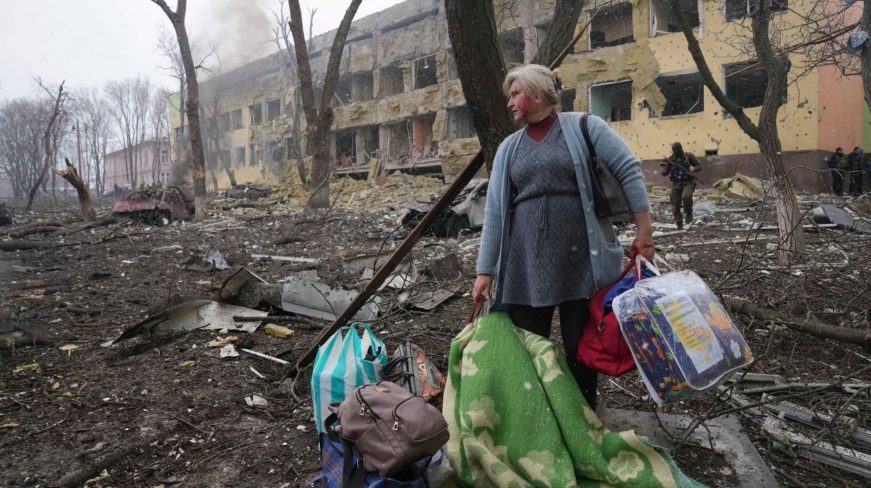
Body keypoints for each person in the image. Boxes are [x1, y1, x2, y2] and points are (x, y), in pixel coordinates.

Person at [471, 64, 655, 410]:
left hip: (581, 261)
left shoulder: (584, 127)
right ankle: (539, 423)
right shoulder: (509, 148)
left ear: (537, 94)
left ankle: (583, 421)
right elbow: (495, 211)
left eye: (515, 94)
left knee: (580, 350)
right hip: (526, 265)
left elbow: (628, 169)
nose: (509, 102)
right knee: (529, 350)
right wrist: (485, 271)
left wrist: (644, 232)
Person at [660, 142, 700, 230]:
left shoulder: (688, 156)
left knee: (687, 197)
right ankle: (679, 224)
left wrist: (694, 168)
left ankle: (688, 220)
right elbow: (664, 173)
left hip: (688, 182)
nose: (676, 151)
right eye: (674, 149)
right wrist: (665, 166)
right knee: (674, 204)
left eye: (677, 149)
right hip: (676, 183)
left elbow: (699, 166)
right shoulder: (671, 159)